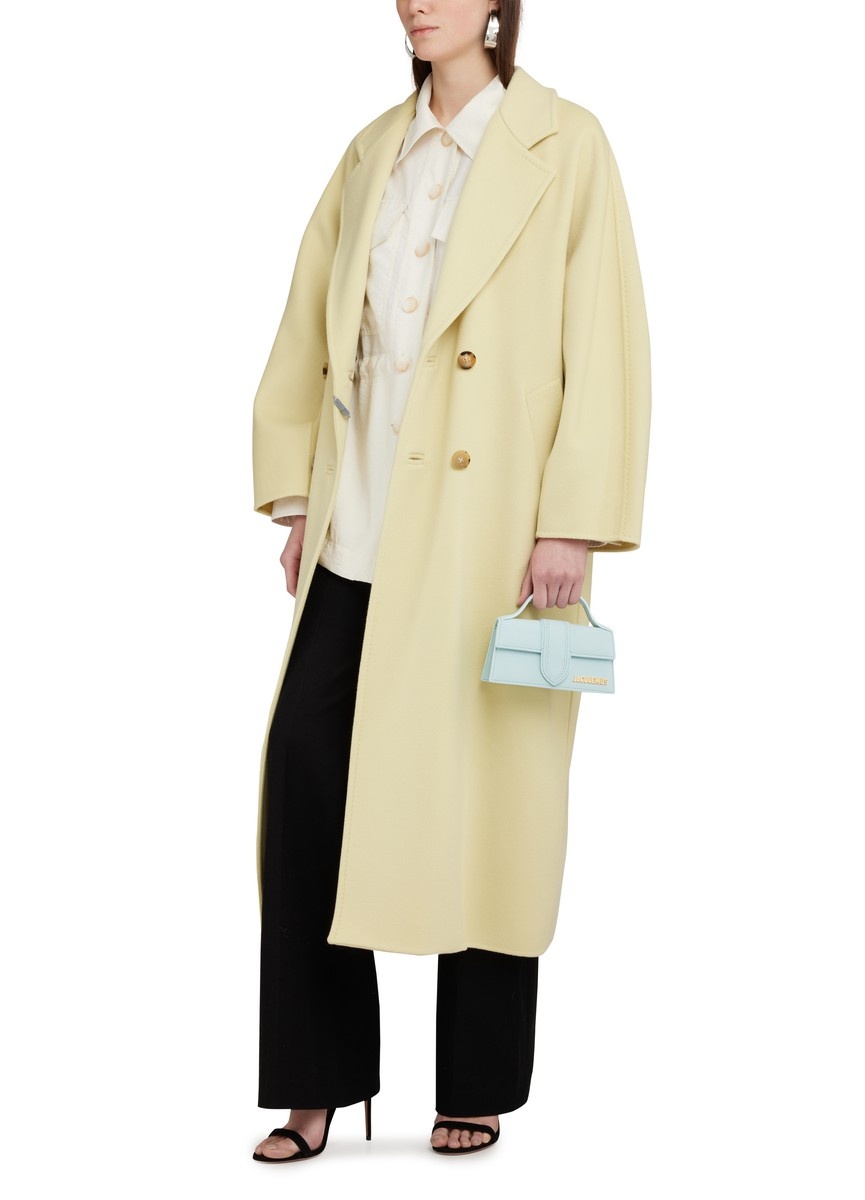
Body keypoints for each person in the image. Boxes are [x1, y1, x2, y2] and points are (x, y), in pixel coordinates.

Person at [250, 0, 650, 1161]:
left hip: (490, 537)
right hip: (361, 525)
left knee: (488, 798)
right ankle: (316, 1082)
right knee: (306, 784)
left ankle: (473, 1084)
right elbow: (308, 330)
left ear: (496, 8)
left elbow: (606, 344)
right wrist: (298, 498)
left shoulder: (565, 144)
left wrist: (570, 523)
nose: (418, 2)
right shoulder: (371, 149)